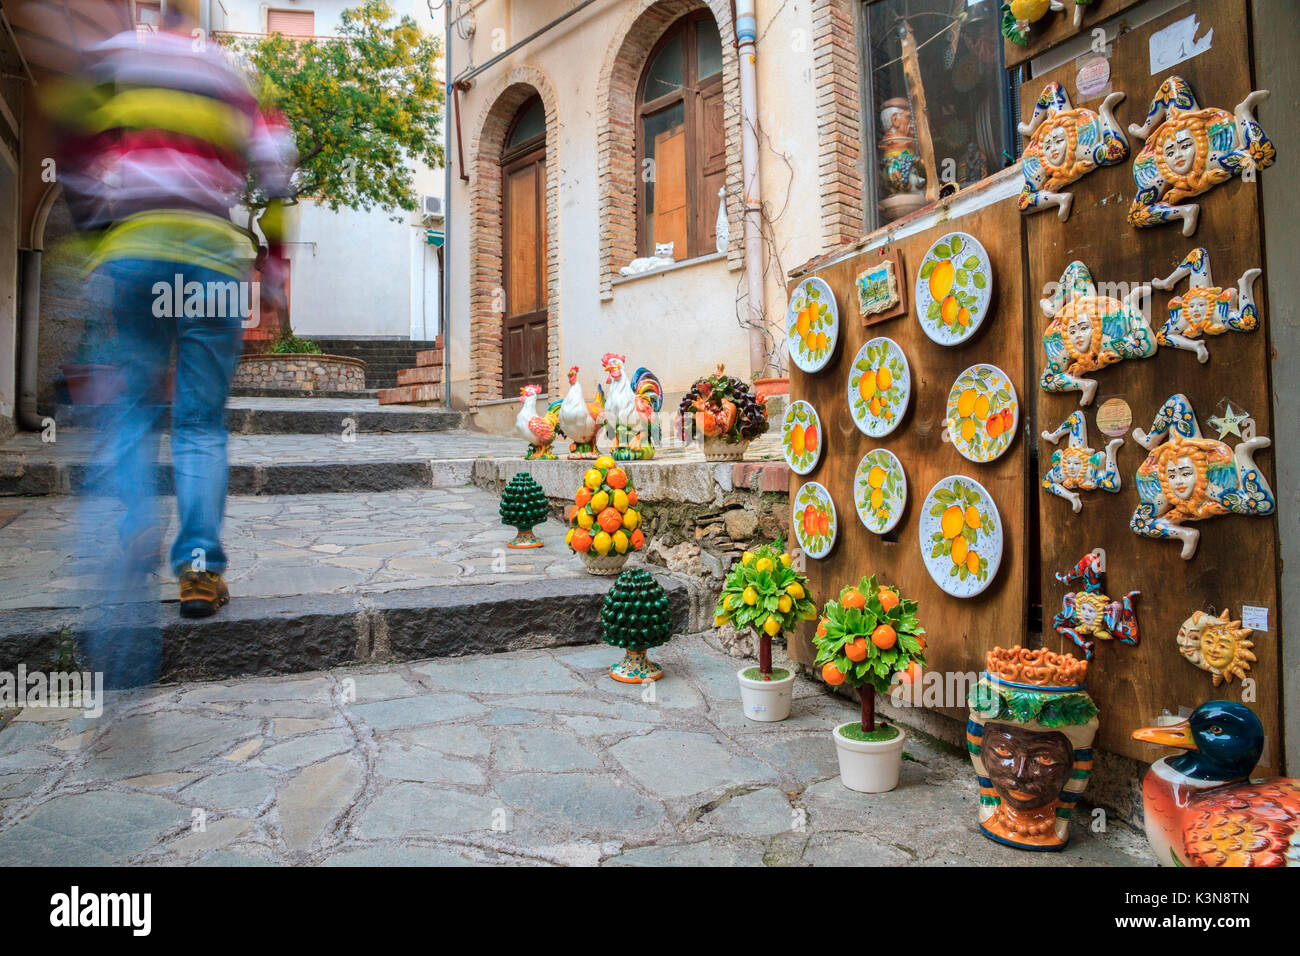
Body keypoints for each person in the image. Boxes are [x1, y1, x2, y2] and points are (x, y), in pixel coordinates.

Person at [43, 4, 296, 668]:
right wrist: (273, 266)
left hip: (137, 250)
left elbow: (69, 136)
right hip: (213, 260)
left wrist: (97, 228)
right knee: (201, 423)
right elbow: (276, 174)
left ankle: (134, 529)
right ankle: (200, 567)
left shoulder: (119, 57)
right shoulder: (234, 76)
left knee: (131, 410)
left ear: (156, 9)